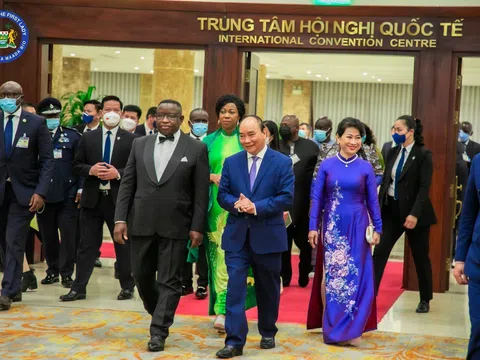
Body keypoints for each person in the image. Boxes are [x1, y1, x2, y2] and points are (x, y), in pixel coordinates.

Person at [113, 99, 210, 352]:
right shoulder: (139, 144)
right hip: (141, 222)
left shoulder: (196, 148)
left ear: (181, 119)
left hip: (177, 225)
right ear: (155, 118)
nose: (165, 120)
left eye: (172, 116)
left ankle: (158, 331)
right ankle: (160, 311)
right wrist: (120, 219)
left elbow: (201, 193)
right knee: (140, 275)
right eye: (161, 115)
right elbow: (127, 184)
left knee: (170, 281)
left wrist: (197, 226)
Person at [215, 116, 294, 359]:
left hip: (268, 235)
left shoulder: (282, 163)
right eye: (242, 135)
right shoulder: (232, 162)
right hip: (237, 235)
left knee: (267, 287)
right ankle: (235, 341)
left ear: (265, 134)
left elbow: (286, 198)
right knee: (235, 287)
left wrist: (256, 206)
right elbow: (222, 195)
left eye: (251, 134)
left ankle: (268, 330)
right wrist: (238, 205)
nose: (246, 140)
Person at [307, 117, 382, 345]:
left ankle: (353, 327)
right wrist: (312, 227)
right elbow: (317, 198)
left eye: (357, 137)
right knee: (334, 279)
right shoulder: (327, 165)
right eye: (348, 136)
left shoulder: (366, 167)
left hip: (359, 227)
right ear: (338, 138)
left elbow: (372, 201)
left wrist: (378, 227)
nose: (353, 141)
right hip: (333, 227)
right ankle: (332, 328)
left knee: (357, 277)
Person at [60, 95, 136, 302]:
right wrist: (91, 170)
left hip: (118, 201)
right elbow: (76, 166)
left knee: (122, 244)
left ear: (120, 113)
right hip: (92, 199)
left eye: (116, 110)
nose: (112, 113)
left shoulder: (132, 139)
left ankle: (127, 286)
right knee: (86, 245)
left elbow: (135, 170)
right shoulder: (88, 137)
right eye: (108, 109)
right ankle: (79, 288)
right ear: (101, 113)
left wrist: (117, 174)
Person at [203, 94, 256, 333]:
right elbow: (193, 172)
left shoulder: (247, 140)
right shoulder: (207, 141)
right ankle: (221, 309)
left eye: (232, 111)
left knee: (237, 260)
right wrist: (209, 176)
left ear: (240, 115)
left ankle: (233, 308)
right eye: (223, 111)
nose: (226, 115)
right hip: (213, 208)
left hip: (241, 206)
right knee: (218, 259)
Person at [373, 116, 437, 314]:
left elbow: (424, 187)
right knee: (380, 251)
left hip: (414, 213)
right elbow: (386, 182)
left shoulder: (423, 154)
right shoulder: (391, 151)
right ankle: (369, 295)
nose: (395, 132)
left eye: (399, 129)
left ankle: (425, 298)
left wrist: (414, 213)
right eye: (393, 128)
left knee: (420, 257)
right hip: (391, 210)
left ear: (410, 132)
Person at [0, 81, 54, 311]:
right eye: (4, 94)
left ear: (21, 97)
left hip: (24, 193)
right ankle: (14, 286)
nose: (8, 97)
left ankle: (7, 291)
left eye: (13, 94)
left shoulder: (36, 123)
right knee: (4, 241)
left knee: (14, 240)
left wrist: (41, 191)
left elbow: (48, 160)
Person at [35, 97, 81, 288]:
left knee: (68, 237)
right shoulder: (34, 136)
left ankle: (66, 274)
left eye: (55, 114)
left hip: (67, 195)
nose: (52, 118)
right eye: (48, 115)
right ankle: (52, 270)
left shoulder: (72, 136)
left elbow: (80, 165)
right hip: (44, 196)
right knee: (48, 237)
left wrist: (80, 187)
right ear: (40, 117)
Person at [278, 115, 319, 287]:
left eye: (288, 125)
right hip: (283, 205)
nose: (284, 128)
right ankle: (284, 277)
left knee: (304, 244)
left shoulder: (310, 147)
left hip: (303, 203)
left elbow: (316, 175)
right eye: (282, 125)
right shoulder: (276, 146)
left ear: (297, 128)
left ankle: (303, 275)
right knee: (283, 244)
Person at [454, 152, 480, 360]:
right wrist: (460, 258)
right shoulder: (478, 162)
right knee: (479, 327)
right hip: (478, 260)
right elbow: (469, 212)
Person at [183, 108, 209, 298]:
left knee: (203, 241)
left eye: (204, 120)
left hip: (207, 198)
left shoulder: (212, 142)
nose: (200, 123)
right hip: (183, 199)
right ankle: (185, 282)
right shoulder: (182, 141)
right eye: (197, 120)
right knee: (184, 242)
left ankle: (202, 282)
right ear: (189, 123)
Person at [75, 99, 103, 268]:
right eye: (84, 111)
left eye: (89, 111)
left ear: (99, 114)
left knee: (97, 227)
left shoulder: (103, 133)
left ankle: (96, 253)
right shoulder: (77, 131)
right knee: (83, 227)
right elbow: (76, 162)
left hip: (100, 185)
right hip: (82, 181)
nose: (86, 114)